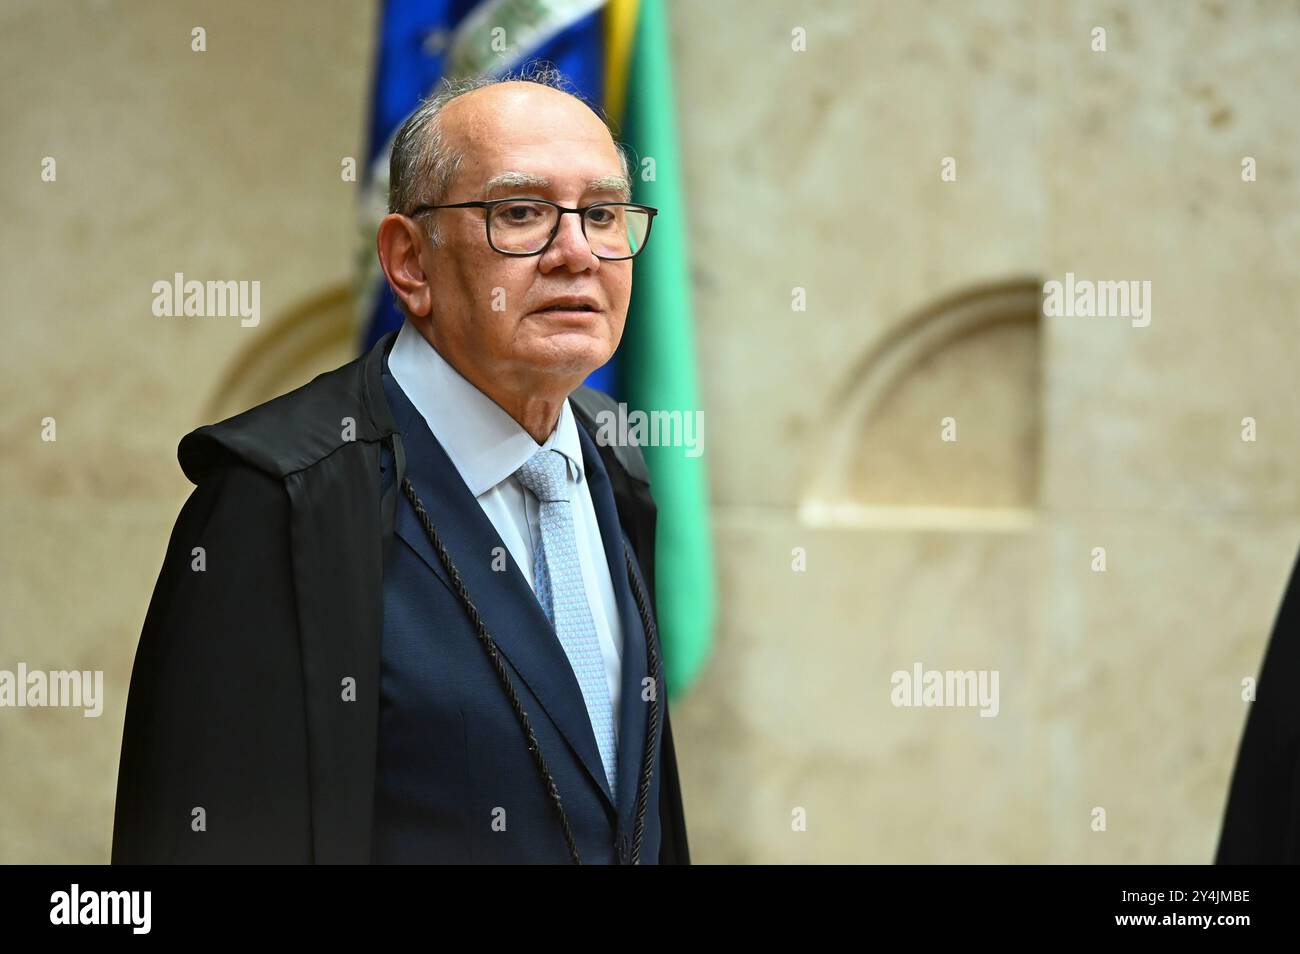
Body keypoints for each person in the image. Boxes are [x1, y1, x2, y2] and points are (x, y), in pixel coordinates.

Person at [111, 66, 690, 864]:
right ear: (410, 261)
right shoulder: (277, 497)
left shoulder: (612, 454)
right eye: (519, 214)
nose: (576, 253)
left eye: (601, 214)